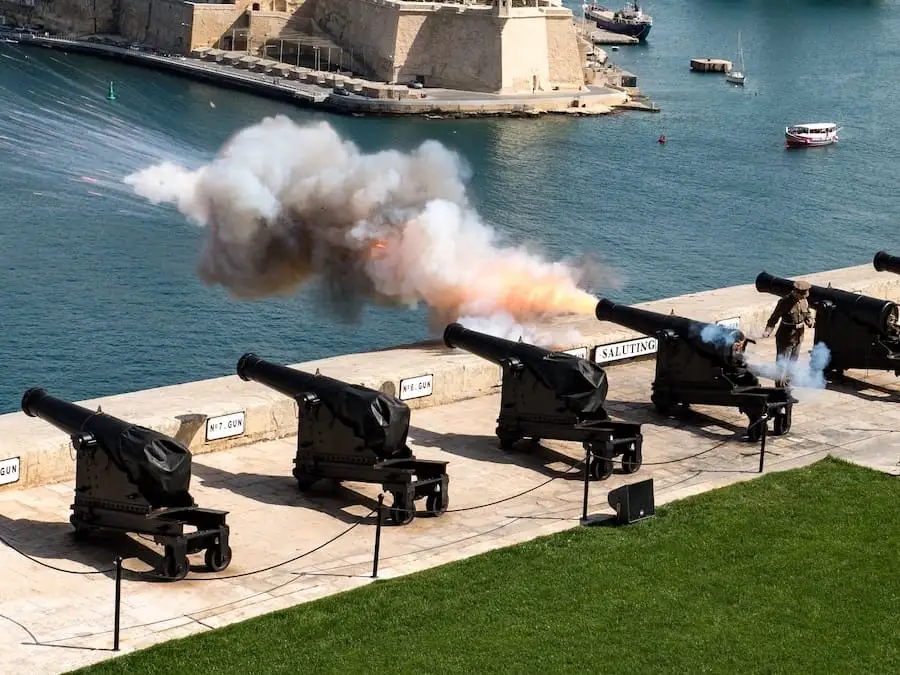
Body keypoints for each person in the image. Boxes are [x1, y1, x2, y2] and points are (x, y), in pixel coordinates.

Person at [762, 280, 814, 387]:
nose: (803, 297)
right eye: (801, 295)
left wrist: (809, 320)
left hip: (798, 337)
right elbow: (774, 318)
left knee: (792, 363)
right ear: (795, 292)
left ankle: (788, 385)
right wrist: (768, 330)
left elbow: (807, 313)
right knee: (782, 364)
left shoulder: (804, 301)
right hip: (786, 337)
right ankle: (780, 388)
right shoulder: (784, 302)